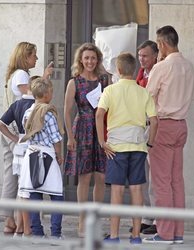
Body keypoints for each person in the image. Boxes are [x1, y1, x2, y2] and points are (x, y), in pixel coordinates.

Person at [95, 52, 158, 244]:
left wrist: (101, 141)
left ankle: (114, 235)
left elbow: (99, 115)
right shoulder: (144, 92)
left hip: (116, 146)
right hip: (138, 146)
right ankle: (136, 235)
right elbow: (154, 121)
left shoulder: (110, 91)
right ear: (134, 69)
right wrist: (150, 143)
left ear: (119, 70)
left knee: (117, 191)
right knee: (138, 190)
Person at [142, 25, 194, 244]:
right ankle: (177, 232)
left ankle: (164, 233)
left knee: (161, 182)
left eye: (158, 44)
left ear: (163, 44)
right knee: (176, 181)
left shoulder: (162, 67)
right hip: (181, 125)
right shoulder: (189, 67)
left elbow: (147, 97)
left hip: (163, 125)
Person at [1, 42, 53, 235]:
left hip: (12, 128)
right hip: (19, 131)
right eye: (34, 55)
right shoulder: (22, 75)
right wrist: (45, 77)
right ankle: (14, 221)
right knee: (19, 178)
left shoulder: (14, 74)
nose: (36, 59)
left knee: (12, 175)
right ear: (25, 56)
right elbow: (31, 95)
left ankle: (12, 220)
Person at [64, 43, 108, 237]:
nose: (90, 61)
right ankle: (82, 222)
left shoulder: (104, 81)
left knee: (101, 176)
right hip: (82, 128)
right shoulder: (74, 82)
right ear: (80, 60)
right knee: (84, 177)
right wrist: (70, 137)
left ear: (97, 60)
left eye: (93, 58)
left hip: (100, 131)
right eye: (86, 58)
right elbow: (66, 110)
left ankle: (95, 221)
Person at [19, 77, 64, 239]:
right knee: (57, 195)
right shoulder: (48, 114)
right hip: (47, 155)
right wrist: (59, 155)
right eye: (51, 91)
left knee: (34, 194)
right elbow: (56, 139)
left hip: (31, 155)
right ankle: (56, 233)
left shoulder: (27, 112)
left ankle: (37, 231)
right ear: (45, 94)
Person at [0, 76, 38, 237]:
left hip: (19, 149)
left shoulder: (16, 104)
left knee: (22, 189)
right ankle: (23, 226)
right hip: (32, 147)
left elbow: (0, 124)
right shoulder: (37, 106)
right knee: (28, 189)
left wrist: (15, 138)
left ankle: (20, 226)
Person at [129, 40, 158, 235]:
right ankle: (147, 217)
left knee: (155, 176)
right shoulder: (141, 74)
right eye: (140, 56)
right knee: (143, 176)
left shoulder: (158, 72)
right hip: (140, 127)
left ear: (155, 55)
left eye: (145, 56)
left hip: (152, 126)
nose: (142, 59)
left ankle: (157, 218)